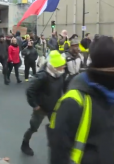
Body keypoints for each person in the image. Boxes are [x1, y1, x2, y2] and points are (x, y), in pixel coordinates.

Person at [48, 35, 114, 164]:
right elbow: (58, 155)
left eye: (77, 46)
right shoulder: (72, 103)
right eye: (74, 46)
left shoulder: (80, 58)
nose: (76, 48)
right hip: (71, 85)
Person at [21, 50, 66, 156]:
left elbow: (62, 88)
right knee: (33, 127)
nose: (63, 67)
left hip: (54, 107)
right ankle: (25, 144)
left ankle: (55, 148)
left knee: (56, 128)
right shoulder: (42, 76)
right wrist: (35, 105)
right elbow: (30, 91)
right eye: (61, 66)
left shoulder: (59, 75)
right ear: (54, 66)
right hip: (41, 108)